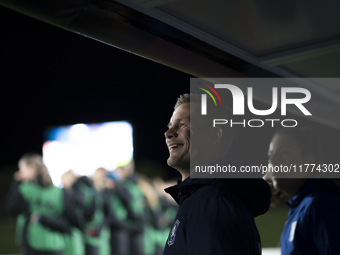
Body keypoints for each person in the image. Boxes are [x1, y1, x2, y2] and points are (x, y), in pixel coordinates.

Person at [163, 94, 271, 255]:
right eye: (170, 125)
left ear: (214, 135)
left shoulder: (211, 203)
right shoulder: (204, 199)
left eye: (182, 124)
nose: (168, 133)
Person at [265, 127, 340, 254]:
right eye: (270, 154)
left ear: (308, 162)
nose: (273, 161)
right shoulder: (298, 207)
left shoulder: (322, 204)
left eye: (285, 152)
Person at [6, 152, 81, 255]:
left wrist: (42, 219)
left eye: (22, 169)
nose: (20, 173)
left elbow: (11, 209)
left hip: (36, 245)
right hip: (53, 244)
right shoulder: (58, 191)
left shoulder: (25, 189)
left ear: (31, 168)